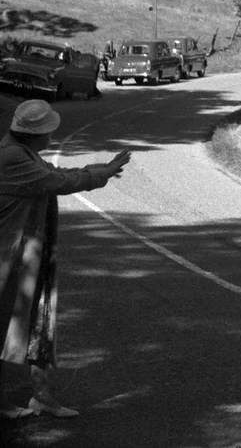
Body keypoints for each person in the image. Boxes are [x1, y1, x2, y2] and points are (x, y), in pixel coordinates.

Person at [0, 100, 131, 419]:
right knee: (7, 323)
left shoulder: (22, 153)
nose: (52, 137)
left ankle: (42, 394)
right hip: (10, 257)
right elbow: (60, 182)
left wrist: (100, 171)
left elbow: (54, 173)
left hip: (30, 253)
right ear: (35, 135)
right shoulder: (12, 158)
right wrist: (104, 172)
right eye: (48, 132)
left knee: (39, 322)